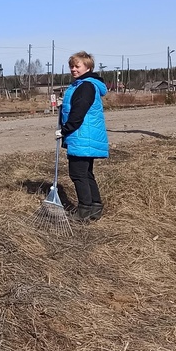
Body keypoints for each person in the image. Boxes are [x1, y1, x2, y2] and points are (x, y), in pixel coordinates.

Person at [58, 50, 109, 222]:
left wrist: (65, 129)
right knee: (87, 173)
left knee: (78, 173)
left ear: (88, 67)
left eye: (77, 66)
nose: (73, 69)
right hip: (85, 135)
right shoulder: (87, 84)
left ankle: (84, 209)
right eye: (71, 66)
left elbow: (78, 112)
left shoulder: (85, 86)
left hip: (81, 135)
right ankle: (95, 207)